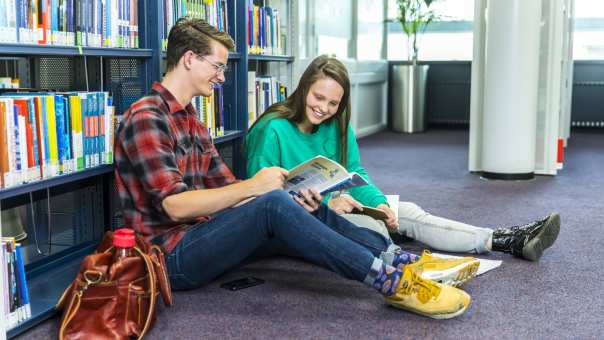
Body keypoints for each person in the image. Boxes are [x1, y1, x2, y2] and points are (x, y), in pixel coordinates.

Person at [113, 18, 479, 320]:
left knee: (294, 204)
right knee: (271, 203)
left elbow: (227, 190)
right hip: (172, 258)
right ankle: (390, 283)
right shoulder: (148, 117)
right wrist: (256, 188)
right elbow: (175, 206)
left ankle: (398, 261)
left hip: (206, 236)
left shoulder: (191, 120)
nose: (222, 76)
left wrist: (289, 200)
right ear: (190, 58)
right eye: (218, 66)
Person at [245, 55, 561, 262]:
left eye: (333, 103)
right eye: (318, 97)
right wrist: (329, 206)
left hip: (339, 207)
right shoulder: (272, 129)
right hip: (298, 222)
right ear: (303, 89)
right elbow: (263, 200)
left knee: (404, 212)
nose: (324, 108)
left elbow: (354, 172)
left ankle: (505, 240)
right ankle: (406, 269)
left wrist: (379, 203)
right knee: (375, 229)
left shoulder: (337, 126)